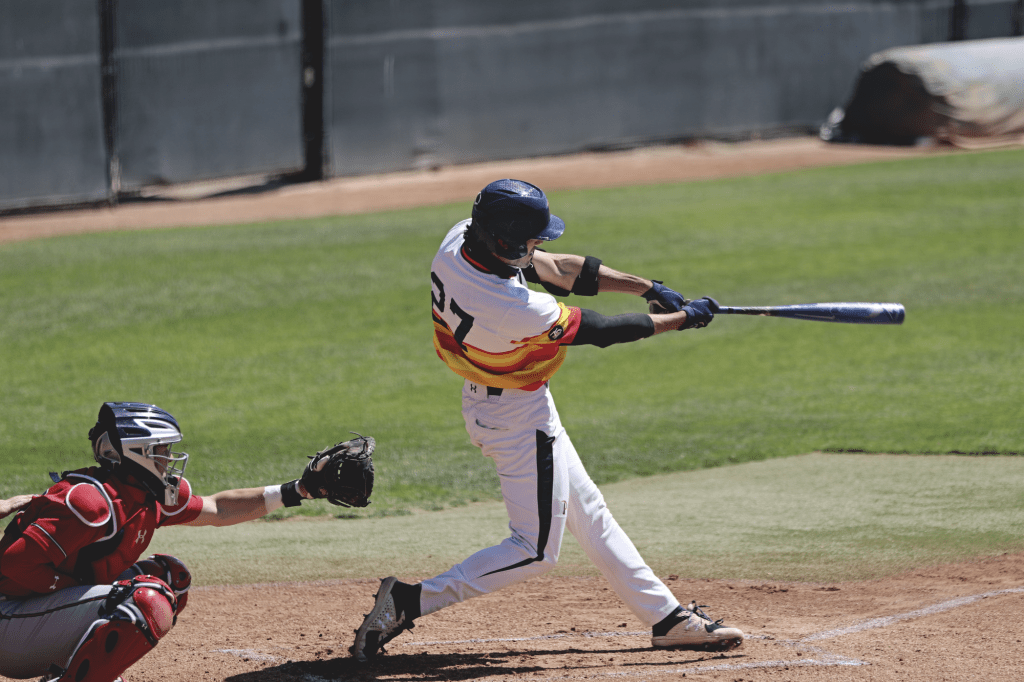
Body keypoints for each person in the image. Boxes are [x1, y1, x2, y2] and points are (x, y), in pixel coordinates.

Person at [350, 179, 743, 661]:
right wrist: (683, 319)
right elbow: (601, 332)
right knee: (535, 549)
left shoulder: (461, 238)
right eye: (531, 239)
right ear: (504, 241)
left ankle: (667, 619)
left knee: (589, 513)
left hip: (513, 401)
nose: (538, 247)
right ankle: (410, 601)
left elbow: (558, 269)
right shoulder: (510, 306)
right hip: (512, 418)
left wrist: (650, 287)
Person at [0, 401, 319, 682]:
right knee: (146, 599)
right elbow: (14, 563)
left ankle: (78, 672)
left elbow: (218, 508)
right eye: (160, 450)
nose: (169, 458)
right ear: (133, 454)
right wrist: (74, 587)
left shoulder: (149, 495)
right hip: (9, 625)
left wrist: (299, 490)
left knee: (170, 578)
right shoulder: (88, 503)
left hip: (37, 616)